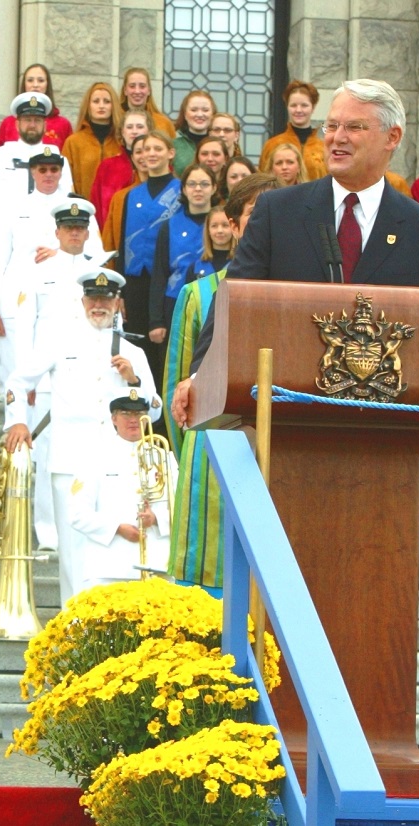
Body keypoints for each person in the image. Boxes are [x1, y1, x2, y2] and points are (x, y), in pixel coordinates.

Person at [171, 79, 419, 428]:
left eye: (354, 127)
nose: (338, 137)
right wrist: (201, 375)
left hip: (385, 428)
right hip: (285, 421)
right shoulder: (277, 211)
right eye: (332, 126)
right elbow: (235, 301)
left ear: (392, 137)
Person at [2, 266, 161, 603]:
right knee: (73, 549)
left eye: (106, 299)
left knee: (117, 546)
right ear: (83, 300)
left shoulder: (134, 353)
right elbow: (17, 381)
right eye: (92, 298)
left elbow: (156, 410)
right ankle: (73, 626)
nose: (98, 305)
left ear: (118, 303)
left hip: (118, 464)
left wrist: (134, 381)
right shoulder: (60, 340)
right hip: (70, 460)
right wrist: (17, 421)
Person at [162, 174, 279, 595]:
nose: (268, 226)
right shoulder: (199, 294)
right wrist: (193, 455)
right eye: (256, 216)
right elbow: (177, 392)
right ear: (231, 225)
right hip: (211, 460)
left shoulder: (302, 294)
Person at [15, 197, 112, 551]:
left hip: (92, 375)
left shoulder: (100, 271)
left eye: (80, 228)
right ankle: (48, 530)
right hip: (45, 375)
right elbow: (24, 325)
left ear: (88, 233)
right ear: (56, 231)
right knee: (48, 456)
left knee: (94, 452)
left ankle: (90, 522)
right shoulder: (38, 270)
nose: (74, 233)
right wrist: (24, 376)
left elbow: (112, 322)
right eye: (68, 228)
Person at [0, 147, 98, 399]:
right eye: (42, 169)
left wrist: (60, 252)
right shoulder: (13, 206)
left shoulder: (77, 208)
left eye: (54, 169)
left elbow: (96, 255)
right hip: (15, 298)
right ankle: (12, 429)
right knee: (12, 366)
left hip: (61, 298)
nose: (48, 174)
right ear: (32, 172)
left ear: (61, 172)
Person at [68, 390, 175, 588]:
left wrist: (157, 519)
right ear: (114, 419)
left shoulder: (164, 457)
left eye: (139, 414)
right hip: (109, 567)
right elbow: (77, 514)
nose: (133, 420)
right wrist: (117, 528)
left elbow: (183, 511)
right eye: (126, 414)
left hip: (158, 565)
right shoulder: (94, 457)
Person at [104, 131, 179, 376]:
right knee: (137, 345)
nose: (151, 154)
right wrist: (121, 292)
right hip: (135, 282)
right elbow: (124, 246)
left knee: (164, 348)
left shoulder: (181, 191)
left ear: (170, 153)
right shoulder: (131, 195)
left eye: (158, 148)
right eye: (147, 149)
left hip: (167, 281)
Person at [0, 93, 74, 268]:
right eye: (27, 119)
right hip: (6, 240)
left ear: (45, 124)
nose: (32, 125)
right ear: (17, 123)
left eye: (37, 120)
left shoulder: (58, 159)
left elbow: (66, 201)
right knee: (0, 291)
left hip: (47, 239)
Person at [149, 164, 215, 346]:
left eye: (204, 184)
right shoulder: (170, 225)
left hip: (213, 302)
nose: (198, 189)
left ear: (214, 187)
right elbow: (160, 273)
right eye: (192, 184)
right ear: (184, 189)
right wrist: (156, 320)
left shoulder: (221, 223)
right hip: (175, 303)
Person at [62, 81, 122, 200]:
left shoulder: (121, 141)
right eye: (96, 101)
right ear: (88, 106)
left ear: (113, 105)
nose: (101, 106)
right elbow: (65, 180)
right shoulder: (74, 143)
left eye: (107, 101)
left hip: (115, 211)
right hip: (84, 211)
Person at [90, 110, 149, 230]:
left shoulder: (158, 166)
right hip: (113, 232)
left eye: (140, 126)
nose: (134, 131)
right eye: (129, 127)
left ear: (149, 130)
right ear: (122, 131)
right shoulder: (107, 166)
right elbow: (96, 204)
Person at [260, 80, 326, 180]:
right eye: (293, 105)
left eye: (304, 105)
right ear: (287, 107)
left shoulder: (324, 148)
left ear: (313, 107)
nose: (298, 110)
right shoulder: (272, 145)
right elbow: (262, 180)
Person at [0, 64, 72, 148]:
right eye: (30, 80)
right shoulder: (8, 123)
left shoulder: (63, 124)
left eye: (41, 80)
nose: (35, 85)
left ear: (47, 84)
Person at [118, 67, 175, 136]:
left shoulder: (164, 123)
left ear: (149, 90)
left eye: (142, 86)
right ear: (125, 90)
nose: (137, 91)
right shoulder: (115, 120)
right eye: (132, 86)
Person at [171, 90, 215, 176]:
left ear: (212, 114)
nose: (199, 114)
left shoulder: (220, 144)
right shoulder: (173, 145)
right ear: (185, 114)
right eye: (194, 110)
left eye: (205, 110)